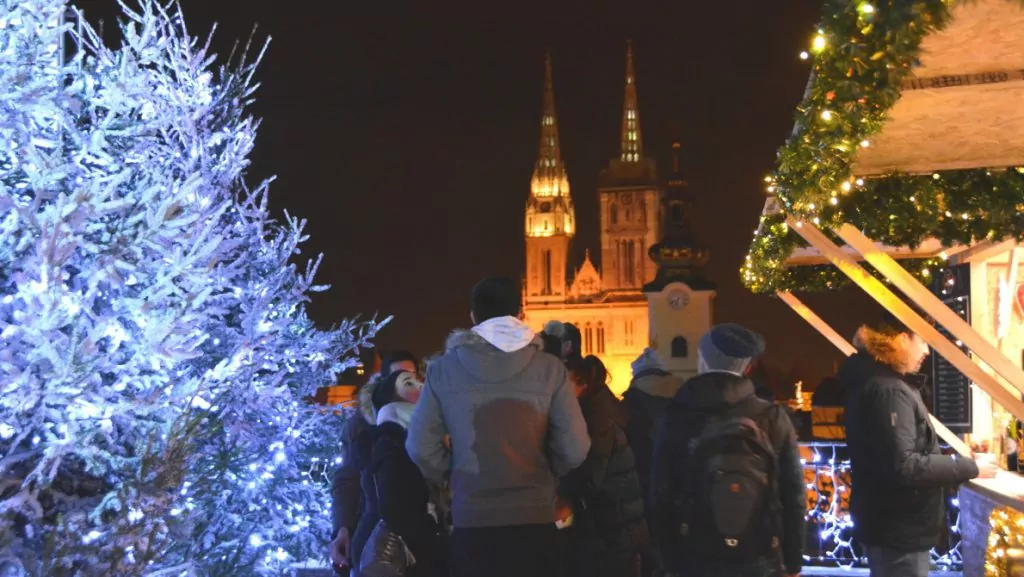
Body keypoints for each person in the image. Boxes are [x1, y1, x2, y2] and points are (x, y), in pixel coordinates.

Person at [406, 277, 591, 577]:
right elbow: (575, 447)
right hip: (535, 519)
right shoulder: (550, 369)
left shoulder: (443, 370)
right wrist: (546, 470)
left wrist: (455, 472)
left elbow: (419, 446)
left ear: (473, 317)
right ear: (519, 313)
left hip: (472, 520)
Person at [838, 312, 997, 577]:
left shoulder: (878, 383)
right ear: (902, 339)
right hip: (899, 528)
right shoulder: (889, 390)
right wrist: (968, 467)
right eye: (922, 341)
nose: (926, 350)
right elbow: (905, 465)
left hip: (890, 524)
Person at [651, 324, 805, 577]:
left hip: (695, 555)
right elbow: (794, 495)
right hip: (759, 554)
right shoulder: (772, 417)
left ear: (702, 360)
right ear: (746, 367)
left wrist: (668, 561)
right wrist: (793, 562)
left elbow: (661, 494)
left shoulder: (677, 416)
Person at [330, 350, 422, 573]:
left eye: (410, 377)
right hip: (375, 531)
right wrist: (343, 528)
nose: (406, 384)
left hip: (422, 532)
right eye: (398, 377)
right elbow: (347, 480)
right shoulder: (362, 427)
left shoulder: (430, 423)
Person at [349, 370, 447, 577]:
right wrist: (434, 536)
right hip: (399, 557)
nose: (421, 386)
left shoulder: (409, 438)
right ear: (390, 400)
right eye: (409, 384)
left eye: (420, 382)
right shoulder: (392, 440)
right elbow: (394, 506)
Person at [564, 356, 649, 577]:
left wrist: (563, 490)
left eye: (566, 383)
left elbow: (591, 477)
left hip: (611, 527)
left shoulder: (596, 420)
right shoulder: (604, 409)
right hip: (619, 525)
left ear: (583, 384)